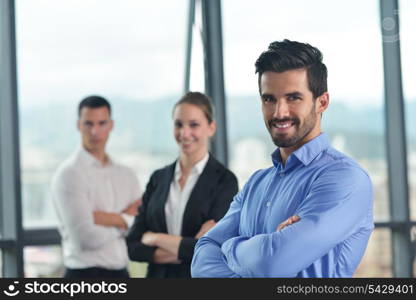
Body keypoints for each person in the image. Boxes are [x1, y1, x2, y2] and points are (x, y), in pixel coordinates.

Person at [191, 40, 374, 278]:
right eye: (269, 99)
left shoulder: (345, 179)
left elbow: (270, 265)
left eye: (293, 98)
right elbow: (200, 261)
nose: (279, 112)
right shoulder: (256, 183)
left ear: (322, 102)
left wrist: (229, 245)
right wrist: (258, 250)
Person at [126, 92, 238, 278]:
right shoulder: (158, 178)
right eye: (179, 124)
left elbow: (212, 250)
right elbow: (133, 246)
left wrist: (155, 238)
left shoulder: (225, 182)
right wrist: (187, 247)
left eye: (194, 125)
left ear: (211, 128)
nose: (184, 133)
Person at [51, 95, 141, 278]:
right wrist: (125, 218)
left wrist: (104, 219)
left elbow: (140, 228)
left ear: (111, 125)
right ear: (79, 125)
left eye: (101, 123)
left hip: (122, 274)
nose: (95, 131)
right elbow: (86, 239)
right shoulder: (69, 174)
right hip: (83, 276)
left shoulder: (127, 175)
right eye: (88, 124)